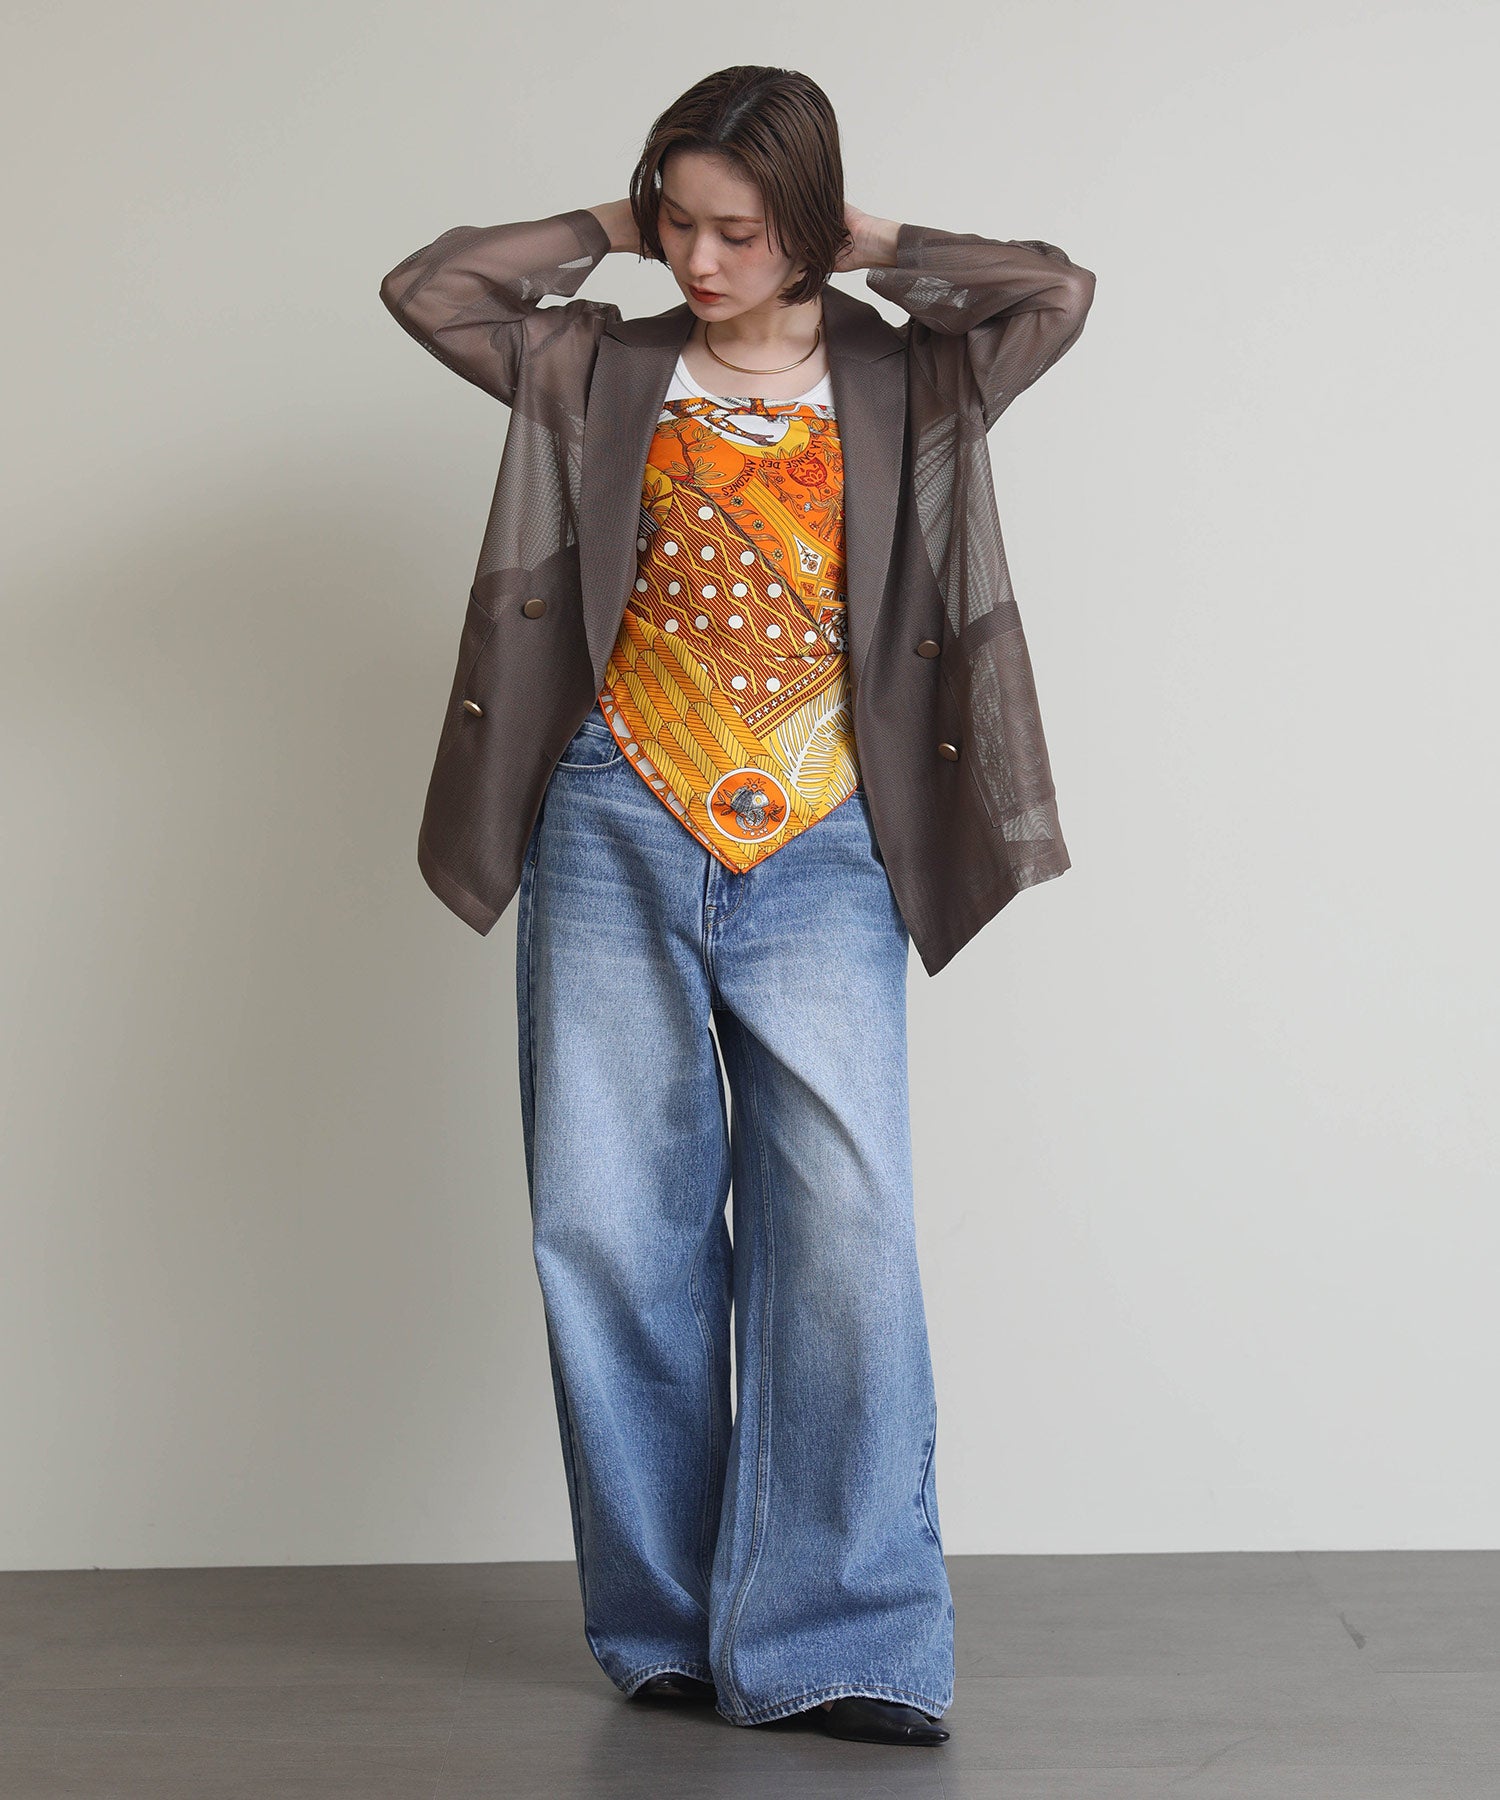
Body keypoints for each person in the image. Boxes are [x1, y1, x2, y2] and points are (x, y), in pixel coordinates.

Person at [380, 63, 1095, 1749]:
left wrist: (876, 242)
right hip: (610, 816)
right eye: (679, 226)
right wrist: (616, 223)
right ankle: (668, 1629)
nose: (702, 262)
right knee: (611, 1227)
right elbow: (433, 288)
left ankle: (841, 1635)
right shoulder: (595, 364)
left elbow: (1053, 293)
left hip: (832, 842)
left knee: (842, 1232)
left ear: (809, 225)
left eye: (740, 231)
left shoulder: (910, 373)